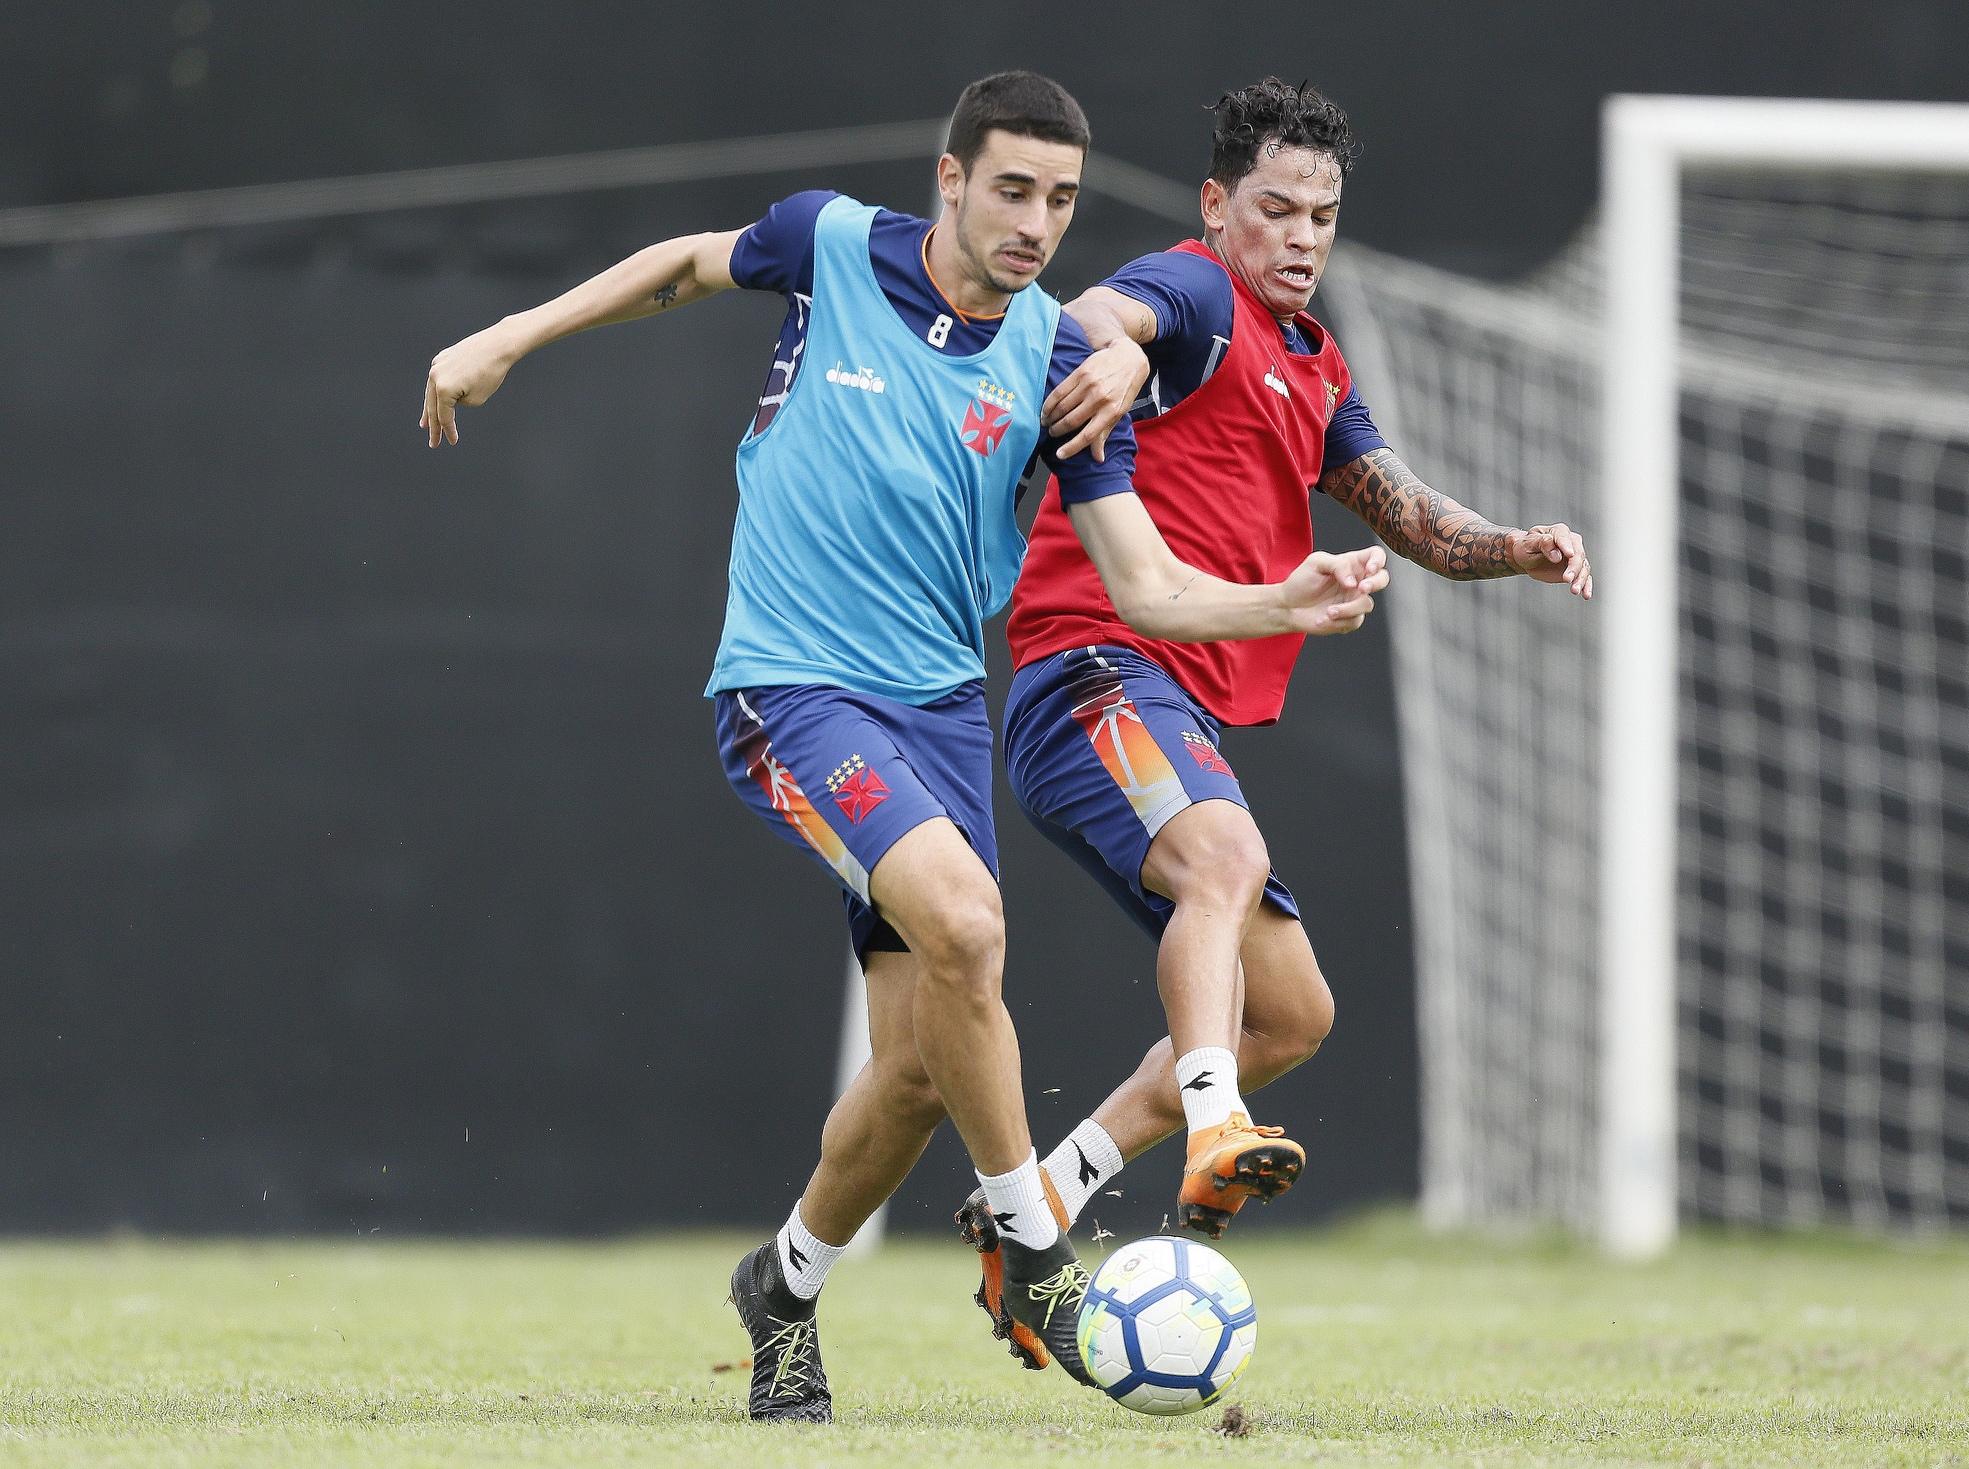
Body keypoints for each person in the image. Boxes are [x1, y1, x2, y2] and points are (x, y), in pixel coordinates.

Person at [417, 71, 1389, 1419]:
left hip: (937, 715)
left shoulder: (1055, 358)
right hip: (792, 687)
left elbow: (1149, 588)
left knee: (922, 1068)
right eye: (1010, 189)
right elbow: (687, 264)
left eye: (1060, 198)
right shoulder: (834, 246)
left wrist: (1283, 598)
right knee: (970, 929)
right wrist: (509, 334)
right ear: (950, 179)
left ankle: (786, 1283)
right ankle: (1038, 1245)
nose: (1035, 221)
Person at [958, 77, 1592, 1342]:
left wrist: (1509, 543)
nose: (1300, 236)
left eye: (1322, 214)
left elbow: (1404, 510)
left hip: (1173, 702)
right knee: (1228, 859)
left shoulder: (1315, 360)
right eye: (1275, 209)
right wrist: (1121, 342)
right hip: (1088, 669)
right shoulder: (1194, 291)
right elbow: (1087, 315)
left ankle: (1037, 1200)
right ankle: (1211, 1127)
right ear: (1217, 206)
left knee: (1294, 1013)